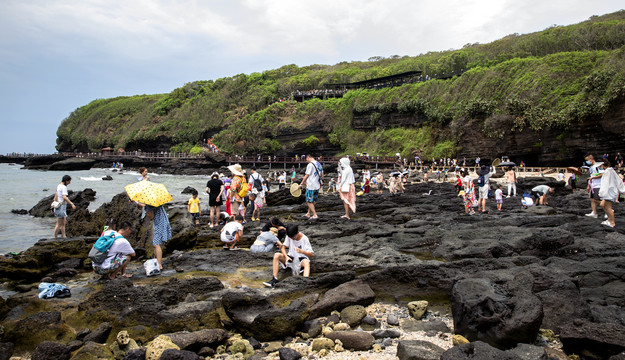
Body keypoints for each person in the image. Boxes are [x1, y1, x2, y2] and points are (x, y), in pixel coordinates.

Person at [145, 204, 172, 271]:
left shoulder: (150, 205)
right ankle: (156, 261)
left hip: (159, 225)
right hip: (163, 222)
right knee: (155, 244)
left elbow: (151, 216)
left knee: (156, 244)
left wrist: (147, 213)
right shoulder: (157, 203)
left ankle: (159, 265)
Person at [598, 159, 625, 227]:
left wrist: (602, 193)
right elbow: (618, 180)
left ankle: (612, 222)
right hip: (611, 191)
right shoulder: (610, 170)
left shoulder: (608, 171)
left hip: (609, 192)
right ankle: (609, 220)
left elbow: (605, 183)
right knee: (602, 205)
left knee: (608, 207)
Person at [299, 155, 323, 220]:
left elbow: (307, 175)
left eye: (306, 159)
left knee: (308, 201)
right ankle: (308, 213)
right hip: (317, 185)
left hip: (311, 185)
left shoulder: (310, 165)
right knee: (312, 200)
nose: (306, 160)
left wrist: (301, 183)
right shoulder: (319, 164)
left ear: (308, 157)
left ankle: (315, 215)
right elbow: (322, 175)